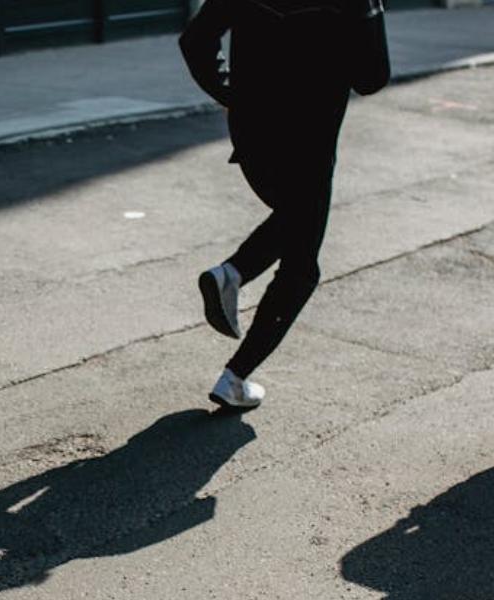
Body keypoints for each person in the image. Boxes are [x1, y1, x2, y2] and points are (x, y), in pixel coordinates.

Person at [180, 0, 390, 409]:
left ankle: (231, 273)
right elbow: (371, 79)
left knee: (294, 221)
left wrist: (227, 90)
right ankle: (235, 376)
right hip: (309, 142)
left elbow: (196, 39)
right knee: (301, 266)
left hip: (252, 136)